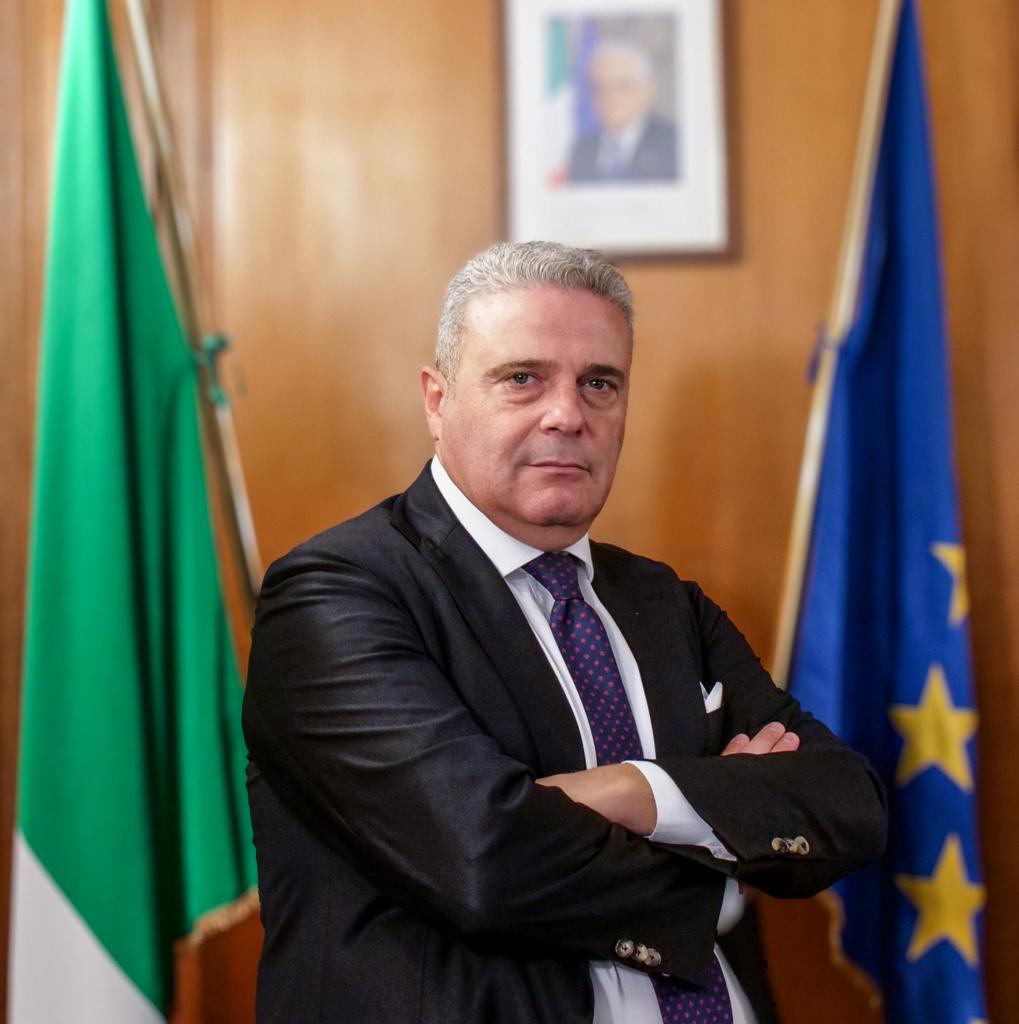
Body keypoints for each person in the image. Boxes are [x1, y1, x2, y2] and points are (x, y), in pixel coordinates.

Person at [243, 241, 887, 1023]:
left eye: (599, 383)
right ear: (437, 400)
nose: (567, 415)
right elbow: (484, 862)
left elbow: (846, 805)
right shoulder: (336, 595)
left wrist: (632, 790)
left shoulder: (664, 602)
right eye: (522, 378)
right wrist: (722, 844)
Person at [569, 41, 679, 183]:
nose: (609, 97)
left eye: (622, 86)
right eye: (600, 88)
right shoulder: (582, 150)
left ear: (647, 91)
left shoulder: (673, 144)